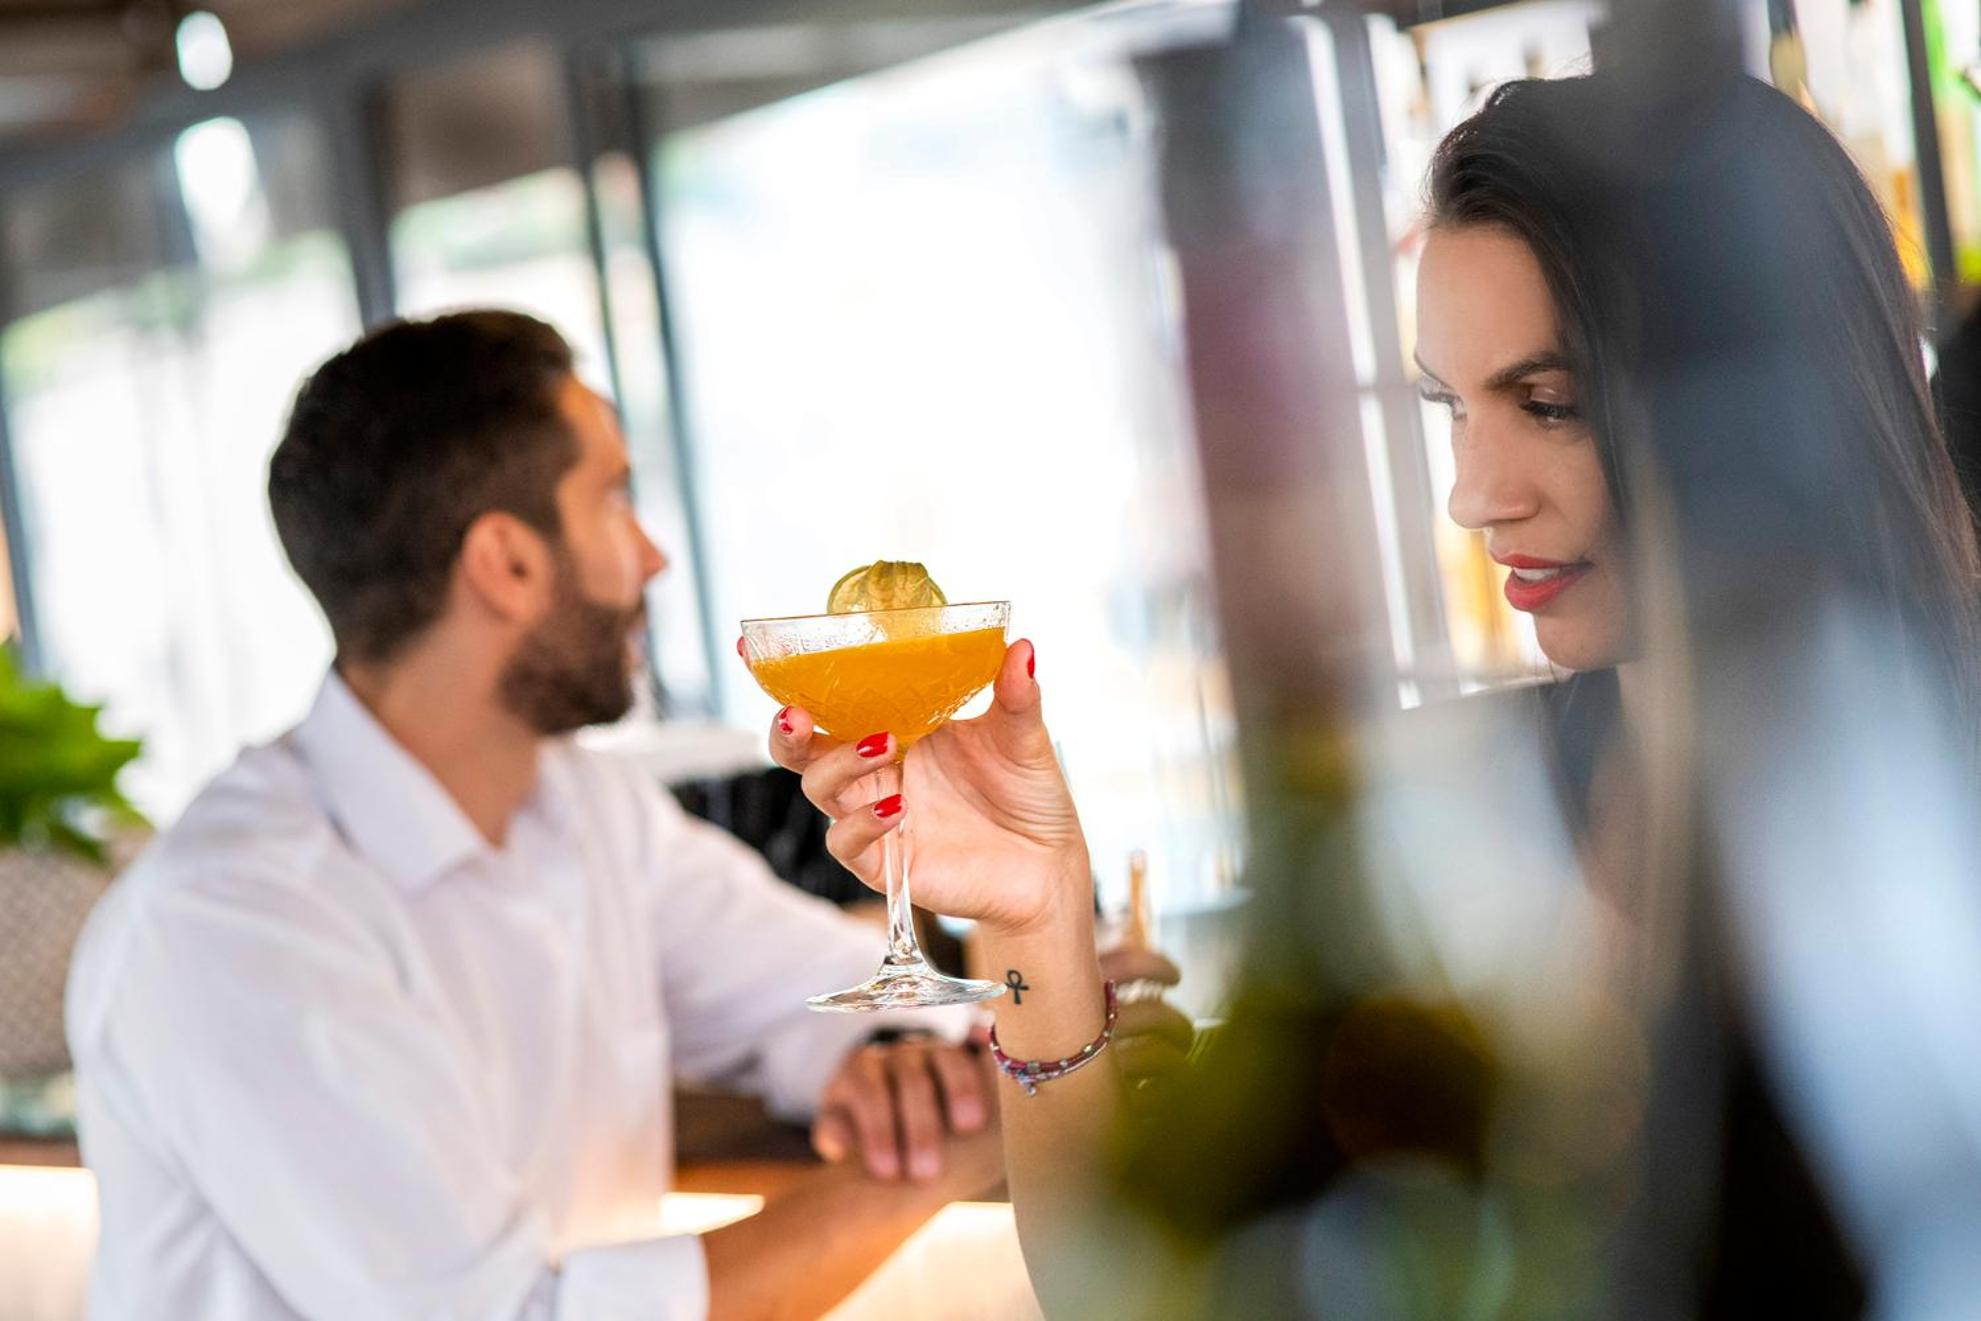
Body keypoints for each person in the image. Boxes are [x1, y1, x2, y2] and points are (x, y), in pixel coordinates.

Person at [768, 70, 1981, 1315]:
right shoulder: (1469, 806)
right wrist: (1035, 919)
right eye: (1450, 407)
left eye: (1549, 404)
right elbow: (1110, 1298)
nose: (1474, 494)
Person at [65, 310, 1007, 1320]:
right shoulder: (228, 921)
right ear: (506, 564)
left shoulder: (583, 805)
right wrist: (935, 1165)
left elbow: (821, 985)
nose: (652, 556)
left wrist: (887, 1060)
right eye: (614, 497)